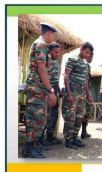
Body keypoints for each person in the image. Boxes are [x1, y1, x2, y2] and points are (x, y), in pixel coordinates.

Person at [22, 22, 57, 158]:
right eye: (53, 35)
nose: (53, 38)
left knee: (40, 118)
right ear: (48, 33)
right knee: (35, 119)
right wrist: (51, 91)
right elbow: (41, 69)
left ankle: (31, 148)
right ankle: (28, 149)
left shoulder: (41, 45)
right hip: (36, 87)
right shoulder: (41, 44)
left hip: (38, 88)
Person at [62, 42, 94, 149]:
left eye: (89, 53)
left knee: (80, 116)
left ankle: (75, 137)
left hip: (82, 94)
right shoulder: (72, 59)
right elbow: (66, 76)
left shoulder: (85, 64)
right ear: (81, 49)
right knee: (70, 116)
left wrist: (89, 95)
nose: (87, 55)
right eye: (86, 52)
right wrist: (69, 93)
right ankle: (68, 139)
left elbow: (85, 81)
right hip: (73, 91)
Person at [36, 42, 63, 153]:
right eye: (55, 52)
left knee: (54, 116)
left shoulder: (56, 63)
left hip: (54, 94)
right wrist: (50, 91)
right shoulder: (45, 62)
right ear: (49, 51)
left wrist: (59, 90)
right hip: (46, 93)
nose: (57, 54)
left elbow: (55, 79)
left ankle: (50, 137)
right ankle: (40, 141)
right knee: (45, 117)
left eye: (59, 52)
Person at [81, 52, 94, 139]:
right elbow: (85, 81)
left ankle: (84, 132)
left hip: (84, 92)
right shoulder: (84, 65)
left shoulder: (86, 65)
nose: (91, 58)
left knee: (86, 112)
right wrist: (89, 95)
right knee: (82, 112)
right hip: (83, 93)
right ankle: (78, 133)